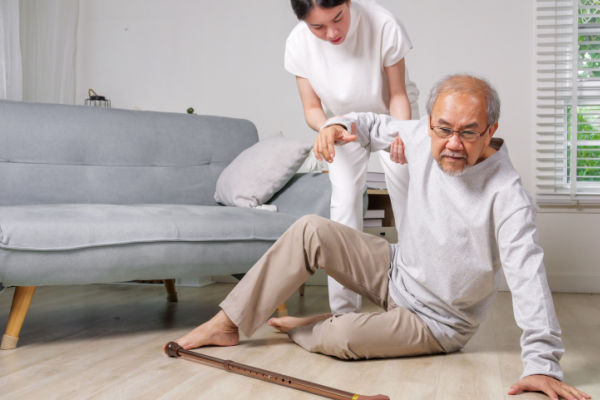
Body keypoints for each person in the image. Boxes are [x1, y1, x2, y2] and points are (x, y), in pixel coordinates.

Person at [171, 75, 590, 400]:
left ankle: (312, 326)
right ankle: (228, 324)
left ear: (491, 129)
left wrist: (543, 365)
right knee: (310, 230)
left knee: (342, 337)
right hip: (395, 270)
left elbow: (528, 279)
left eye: (468, 132)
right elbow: (370, 125)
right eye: (443, 129)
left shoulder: (508, 196)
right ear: (429, 123)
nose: (453, 144)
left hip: (437, 321)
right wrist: (335, 126)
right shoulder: (426, 139)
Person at [286, 0, 417, 314]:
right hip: (342, 123)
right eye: (318, 26)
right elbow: (312, 109)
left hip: (392, 116)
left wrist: (402, 133)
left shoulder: (382, 23)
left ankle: (415, 302)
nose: (332, 33)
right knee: (344, 206)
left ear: (347, 3)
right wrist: (327, 128)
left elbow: (398, 94)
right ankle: (343, 312)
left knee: (407, 203)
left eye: (338, 19)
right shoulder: (297, 43)